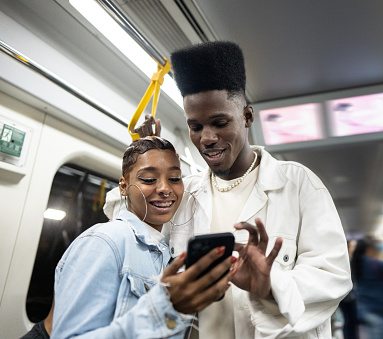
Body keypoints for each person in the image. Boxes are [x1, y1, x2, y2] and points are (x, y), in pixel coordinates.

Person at [107, 41, 352, 338]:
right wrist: (144, 156)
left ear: (247, 117)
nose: (207, 138)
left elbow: (334, 276)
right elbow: (126, 220)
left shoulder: (300, 185)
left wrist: (271, 285)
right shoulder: (185, 194)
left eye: (220, 123)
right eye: (195, 127)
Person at [52, 137, 237, 338]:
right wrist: (165, 307)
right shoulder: (104, 242)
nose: (165, 189)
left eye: (175, 179)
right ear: (123, 187)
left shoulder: (164, 252)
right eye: (149, 180)